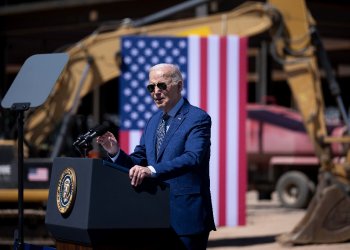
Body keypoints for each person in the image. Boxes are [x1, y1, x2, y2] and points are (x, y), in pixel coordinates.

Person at [96, 63, 216, 249]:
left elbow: (193, 157)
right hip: (154, 217)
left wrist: (151, 170)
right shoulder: (153, 122)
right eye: (151, 87)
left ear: (179, 86)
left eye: (162, 85)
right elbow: (138, 162)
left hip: (186, 218)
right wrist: (114, 151)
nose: (156, 92)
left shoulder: (197, 118)